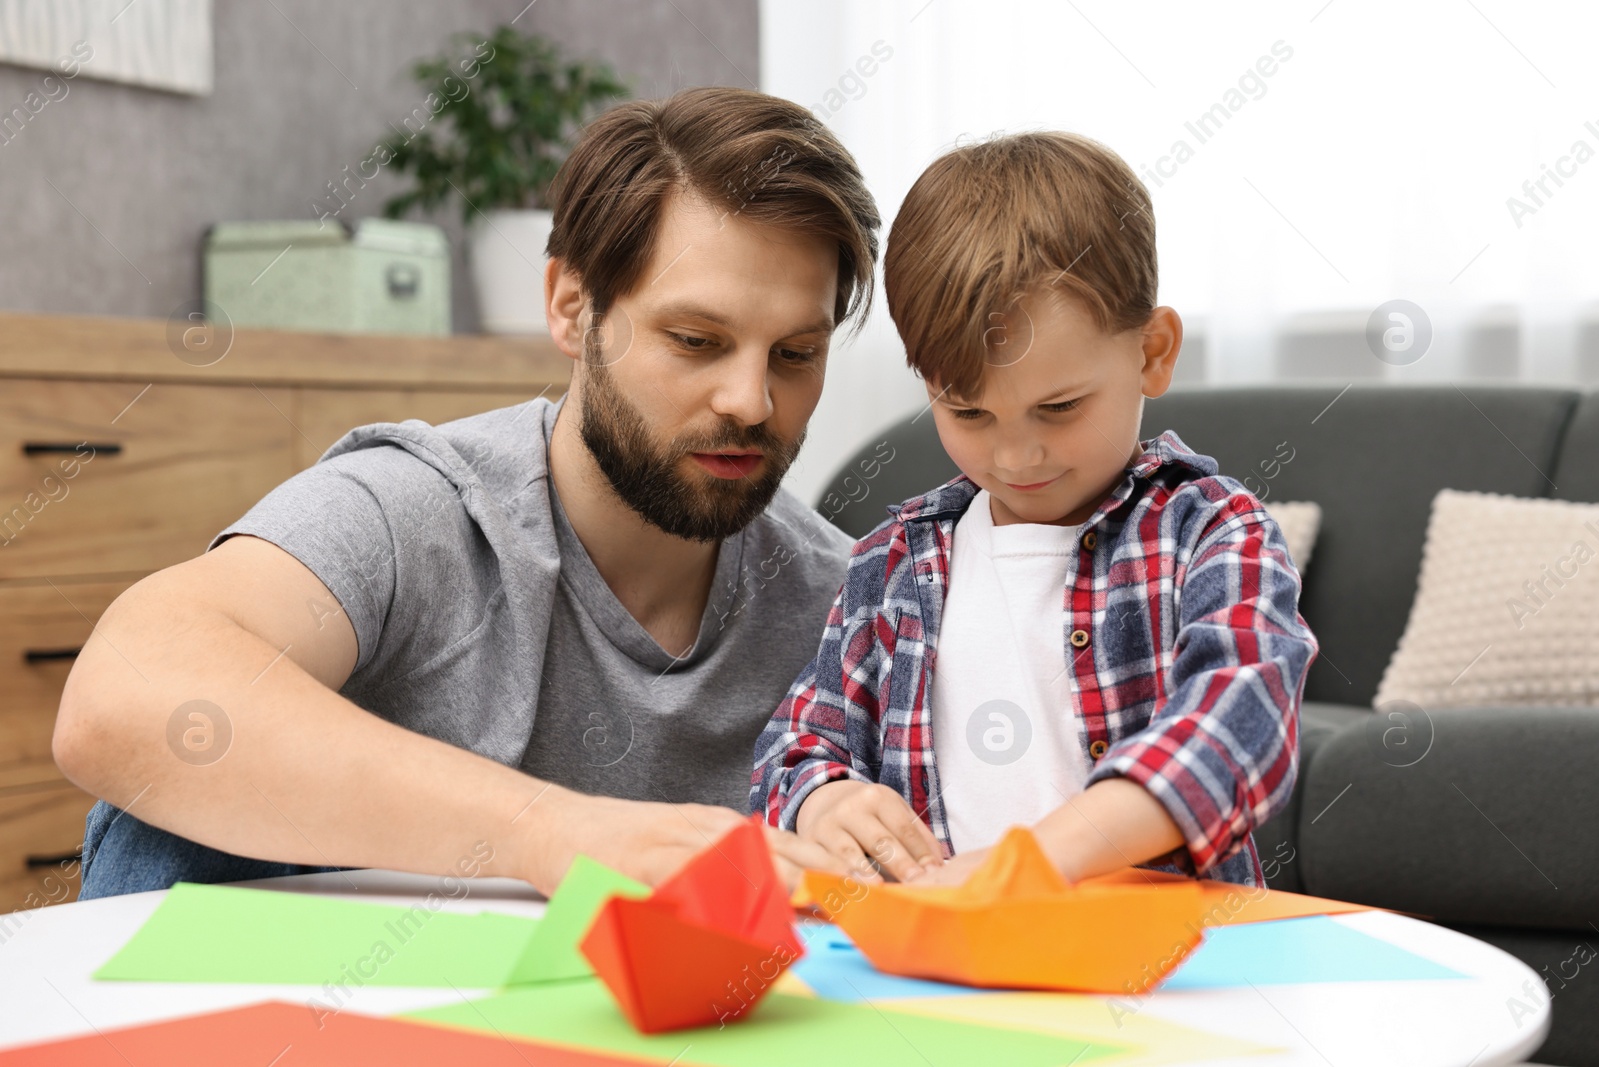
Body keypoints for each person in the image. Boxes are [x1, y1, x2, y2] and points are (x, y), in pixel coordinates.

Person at [55, 86, 880, 898]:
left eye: (795, 354)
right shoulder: (416, 510)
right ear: (569, 305)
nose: (751, 401)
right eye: (696, 340)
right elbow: (120, 699)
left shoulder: (843, 599)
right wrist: (550, 832)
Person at [752, 131, 1317, 888]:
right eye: (970, 413)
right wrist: (825, 801)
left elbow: (1237, 725)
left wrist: (1036, 862)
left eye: (1058, 407)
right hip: (944, 970)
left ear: (1152, 351)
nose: (1017, 457)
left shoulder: (1212, 534)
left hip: (1164, 972)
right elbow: (794, 747)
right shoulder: (892, 564)